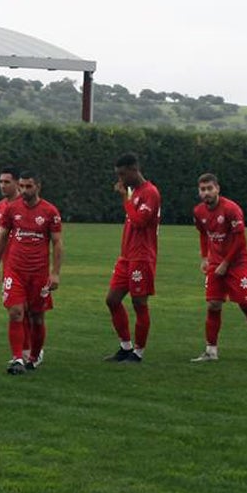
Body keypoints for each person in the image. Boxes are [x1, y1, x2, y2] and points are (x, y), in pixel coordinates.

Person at [191, 172, 247, 363]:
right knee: (213, 304)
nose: (207, 193)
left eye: (210, 188)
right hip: (216, 264)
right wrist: (204, 257)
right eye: (203, 189)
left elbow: (240, 239)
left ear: (218, 189)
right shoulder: (198, 212)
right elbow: (203, 233)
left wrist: (226, 263)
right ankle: (211, 351)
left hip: (237, 263)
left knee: (246, 305)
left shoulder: (231, 209)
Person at [0, 169, 63, 375]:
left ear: (38, 187)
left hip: (39, 273)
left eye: (28, 186)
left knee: (37, 317)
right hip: (15, 270)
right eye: (21, 186)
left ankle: (34, 356)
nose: (23, 190)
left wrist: (55, 273)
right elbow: (2, 237)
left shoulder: (50, 211)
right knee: (16, 312)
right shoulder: (11, 209)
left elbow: (57, 243)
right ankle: (17, 358)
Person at [103, 153, 160, 363]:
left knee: (139, 303)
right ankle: (125, 347)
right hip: (126, 257)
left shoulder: (150, 193)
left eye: (122, 174)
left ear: (134, 170)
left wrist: (124, 199)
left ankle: (138, 352)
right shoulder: (134, 192)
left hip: (142, 257)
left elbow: (139, 221)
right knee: (112, 300)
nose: (120, 179)